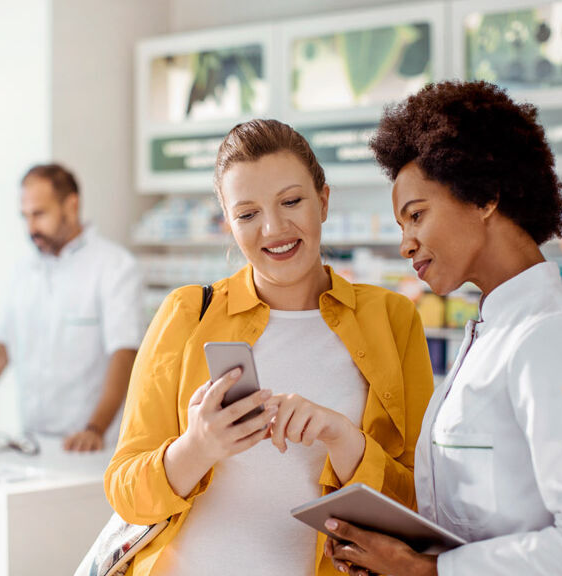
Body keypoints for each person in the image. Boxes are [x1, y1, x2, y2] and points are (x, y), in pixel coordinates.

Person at [322, 81, 562, 575]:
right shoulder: (490, 330)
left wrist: (424, 571)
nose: (407, 243)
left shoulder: (554, 334)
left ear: (484, 196)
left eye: (416, 215)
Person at [105, 119, 433, 576]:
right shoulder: (187, 314)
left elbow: (422, 502)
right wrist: (198, 446)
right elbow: (124, 490)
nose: (274, 229)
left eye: (292, 201)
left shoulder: (392, 319)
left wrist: (346, 440)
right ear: (229, 224)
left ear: (323, 201)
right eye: (247, 214)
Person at [0, 163, 143, 452]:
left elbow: (125, 353)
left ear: (71, 205)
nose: (31, 228)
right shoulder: (24, 270)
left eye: (39, 214)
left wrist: (95, 429)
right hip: (32, 442)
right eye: (26, 217)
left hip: (92, 444)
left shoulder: (114, 267)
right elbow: (1, 348)